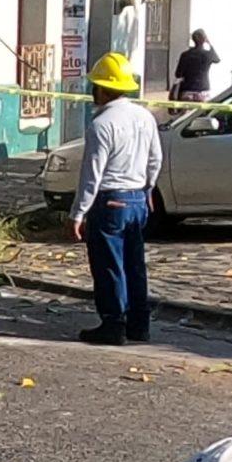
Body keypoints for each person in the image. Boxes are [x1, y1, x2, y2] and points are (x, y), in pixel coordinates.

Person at [70, 49, 161, 345]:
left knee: (109, 265)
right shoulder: (144, 117)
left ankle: (113, 324)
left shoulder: (101, 124)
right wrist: (148, 189)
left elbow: (91, 174)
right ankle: (139, 323)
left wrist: (78, 213)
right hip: (136, 199)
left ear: (104, 88)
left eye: (95, 84)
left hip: (110, 201)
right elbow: (155, 159)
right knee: (134, 264)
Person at [172, 28, 220, 102]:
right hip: (203, 90)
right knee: (202, 113)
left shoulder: (185, 55)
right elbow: (217, 60)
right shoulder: (207, 55)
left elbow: (178, 74)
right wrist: (209, 43)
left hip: (187, 90)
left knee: (187, 113)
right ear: (204, 39)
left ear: (193, 40)